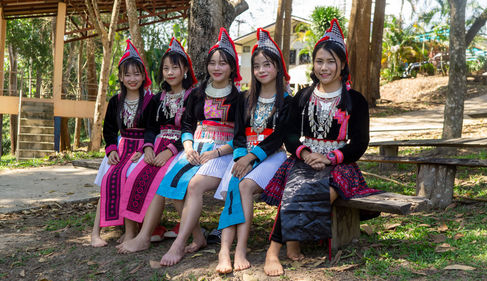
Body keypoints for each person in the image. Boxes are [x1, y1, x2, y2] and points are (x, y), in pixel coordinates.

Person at [263, 19, 382, 276]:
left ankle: (294, 242)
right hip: (305, 158)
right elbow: (290, 134)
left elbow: (360, 143)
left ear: (342, 65)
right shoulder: (303, 96)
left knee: (319, 192)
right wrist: (306, 154)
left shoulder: (355, 100)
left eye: (331, 61)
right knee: (293, 190)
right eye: (319, 61)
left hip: (340, 164)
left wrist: (330, 158)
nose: (324, 67)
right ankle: (275, 251)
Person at [156, 27, 243, 266]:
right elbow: (186, 124)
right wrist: (187, 147)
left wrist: (216, 152)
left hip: (222, 152)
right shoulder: (197, 93)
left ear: (232, 68)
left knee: (193, 186)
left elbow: (240, 136)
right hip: (195, 147)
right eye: (213, 63)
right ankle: (197, 236)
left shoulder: (239, 98)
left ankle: (178, 244)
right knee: (173, 183)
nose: (217, 68)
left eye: (223, 63)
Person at [214, 28, 291, 274]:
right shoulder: (244, 98)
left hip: (271, 155)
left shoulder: (287, 100)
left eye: (267, 65)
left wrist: (251, 157)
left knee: (245, 185)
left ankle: (241, 250)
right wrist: (240, 157)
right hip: (242, 154)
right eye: (257, 66)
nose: (261, 70)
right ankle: (224, 250)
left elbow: (280, 136)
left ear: (277, 67)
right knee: (236, 186)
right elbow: (237, 134)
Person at [116, 37, 197, 253]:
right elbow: (150, 128)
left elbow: (192, 128)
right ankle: (134, 230)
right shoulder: (158, 98)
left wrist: (170, 151)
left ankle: (144, 236)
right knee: (133, 171)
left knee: (158, 182)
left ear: (185, 70)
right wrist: (148, 148)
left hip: (183, 147)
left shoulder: (193, 96)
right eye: (165, 68)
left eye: (175, 67)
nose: (170, 72)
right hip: (157, 145)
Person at [91, 39, 154, 247]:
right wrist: (110, 150)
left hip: (142, 149)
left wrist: (145, 149)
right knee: (109, 179)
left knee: (130, 179)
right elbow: (108, 129)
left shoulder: (150, 101)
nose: (132, 78)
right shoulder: (115, 101)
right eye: (127, 74)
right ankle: (95, 234)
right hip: (121, 147)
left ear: (143, 75)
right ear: (120, 77)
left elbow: (153, 129)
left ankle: (130, 232)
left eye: (136, 73)